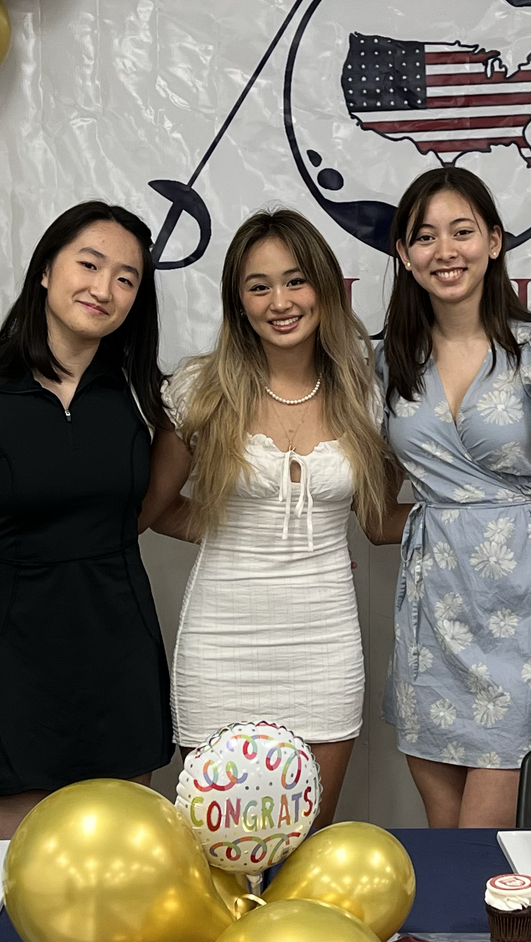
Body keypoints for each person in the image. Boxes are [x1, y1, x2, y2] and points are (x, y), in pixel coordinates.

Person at [0, 202, 188, 840]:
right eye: (88, 264)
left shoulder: (148, 399)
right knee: (16, 876)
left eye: (126, 278)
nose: (103, 288)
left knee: (118, 868)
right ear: (45, 271)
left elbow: (151, 513)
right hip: (8, 658)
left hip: (120, 652)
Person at [156, 209, 396, 826]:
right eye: (258, 286)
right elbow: (152, 510)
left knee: (306, 848)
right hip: (220, 641)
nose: (279, 301)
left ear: (324, 286)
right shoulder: (200, 389)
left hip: (325, 644)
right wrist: (234, 531)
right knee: (216, 851)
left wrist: (495, 512)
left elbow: (377, 520)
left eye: (295, 281)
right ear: (238, 302)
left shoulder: (364, 390)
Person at [378, 167, 531, 828]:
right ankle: (453, 941)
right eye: (425, 236)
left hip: (524, 612)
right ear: (404, 256)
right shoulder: (387, 359)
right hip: (430, 615)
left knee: (489, 839)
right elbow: (374, 502)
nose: (445, 251)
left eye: (462, 231)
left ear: (494, 241)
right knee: (445, 836)